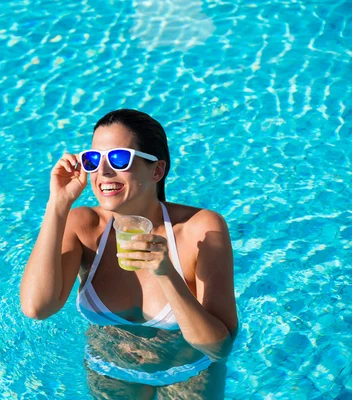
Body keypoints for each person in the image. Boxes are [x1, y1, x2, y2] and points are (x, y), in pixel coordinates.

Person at [20, 109, 238, 399]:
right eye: (93, 160)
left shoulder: (201, 229)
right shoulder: (84, 225)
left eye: (119, 159)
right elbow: (37, 308)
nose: (104, 172)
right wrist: (58, 205)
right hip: (110, 372)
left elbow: (218, 348)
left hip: (190, 374)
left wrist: (167, 275)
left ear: (157, 170)